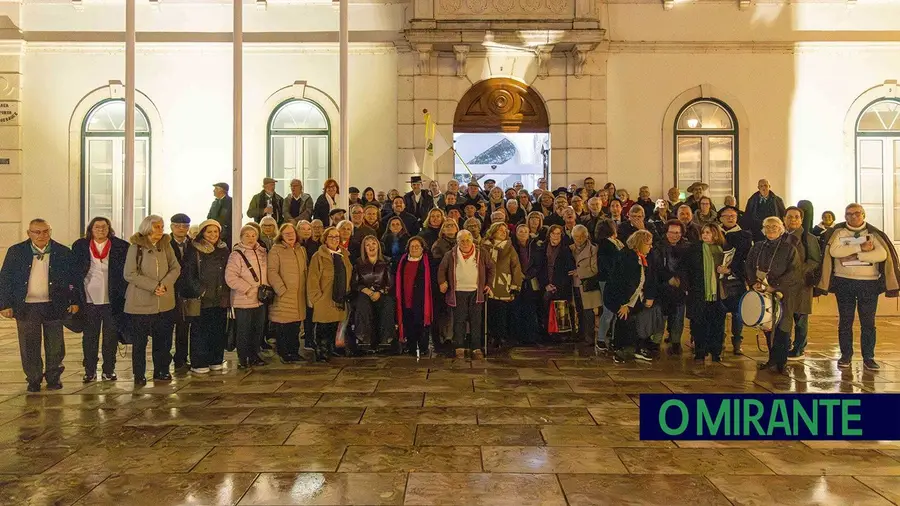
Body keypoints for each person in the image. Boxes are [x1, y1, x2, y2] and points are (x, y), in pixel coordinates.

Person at [816, 204, 900, 370]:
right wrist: (861, 247)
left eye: (857, 213)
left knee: (868, 323)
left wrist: (856, 255)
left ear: (863, 215)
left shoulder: (874, 234)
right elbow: (835, 252)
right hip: (843, 282)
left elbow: (881, 254)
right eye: (849, 214)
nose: (853, 217)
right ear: (845, 216)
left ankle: (868, 357)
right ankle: (845, 356)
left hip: (869, 284)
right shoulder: (838, 233)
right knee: (845, 322)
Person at [0, 219, 80, 392]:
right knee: (29, 345)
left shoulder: (62, 252)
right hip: (26, 307)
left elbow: (73, 280)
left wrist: (74, 300)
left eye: (45, 231)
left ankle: (53, 378)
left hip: (54, 305)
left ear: (50, 231)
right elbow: (5, 279)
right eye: (36, 232)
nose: (41, 235)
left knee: (55, 345)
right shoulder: (16, 252)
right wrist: (5, 304)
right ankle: (33, 379)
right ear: (29, 233)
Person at [124, 215, 181, 385]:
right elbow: (130, 273)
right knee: (140, 342)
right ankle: (139, 373)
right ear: (147, 228)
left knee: (163, 339)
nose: (160, 229)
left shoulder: (166, 245)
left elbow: (175, 267)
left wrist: (164, 284)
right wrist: (152, 286)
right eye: (157, 226)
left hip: (164, 302)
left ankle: (162, 370)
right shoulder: (136, 247)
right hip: (141, 303)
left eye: (162, 226)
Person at [72, 217, 129, 382]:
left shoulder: (120, 246)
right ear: (91, 229)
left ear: (109, 229)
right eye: (97, 227)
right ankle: (89, 370)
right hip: (89, 299)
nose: (101, 230)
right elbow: (74, 272)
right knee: (90, 336)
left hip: (112, 299)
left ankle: (109, 369)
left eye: (104, 227)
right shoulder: (80, 246)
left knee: (111, 337)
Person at [746, 216, 803, 373]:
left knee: (783, 328)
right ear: (763, 229)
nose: (771, 229)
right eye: (768, 227)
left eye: (775, 227)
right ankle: (772, 359)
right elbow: (749, 266)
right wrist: (753, 283)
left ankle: (782, 363)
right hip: (763, 292)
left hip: (783, 293)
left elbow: (794, 272)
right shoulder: (757, 247)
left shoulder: (789, 248)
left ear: (781, 229)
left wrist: (774, 286)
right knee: (768, 326)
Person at [438, 229, 495, 360]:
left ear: (472, 240)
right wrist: (442, 282)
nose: (465, 243)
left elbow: (491, 267)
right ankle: (459, 347)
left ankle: (476, 347)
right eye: (461, 241)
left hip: (476, 291)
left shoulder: (481, 252)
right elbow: (442, 269)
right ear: (457, 242)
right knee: (459, 320)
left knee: (476, 320)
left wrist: (489, 284)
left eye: (467, 240)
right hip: (458, 292)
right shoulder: (451, 254)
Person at [184, 219, 230, 374]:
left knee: (218, 330)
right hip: (202, 299)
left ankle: (216, 359)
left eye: (216, 231)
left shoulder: (224, 249)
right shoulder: (194, 249)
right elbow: (189, 274)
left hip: (221, 297)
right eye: (209, 231)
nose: (213, 235)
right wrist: (200, 291)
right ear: (203, 233)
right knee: (200, 331)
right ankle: (199, 362)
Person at [603, 229, 653, 363]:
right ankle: (620, 350)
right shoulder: (627, 257)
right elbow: (623, 282)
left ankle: (632, 349)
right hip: (623, 298)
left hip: (634, 298)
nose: (651, 247)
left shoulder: (638, 257)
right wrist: (623, 303)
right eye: (648, 244)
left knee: (631, 323)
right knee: (623, 322)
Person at [682, 223, 730, 363]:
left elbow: (733, 268)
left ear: (715, 234)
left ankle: (716, 352)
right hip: (699, 292)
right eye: (703, 232)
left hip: (718, 294)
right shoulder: (694, 248)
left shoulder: (723, 249)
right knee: (698, 324)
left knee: (717, 324)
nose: (705, 235)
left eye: (708, 232)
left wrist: (727, 271)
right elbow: (686, 269)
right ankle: (700, 352)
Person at [225, 223, 269, 369]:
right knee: (244, 330)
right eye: (247, 235)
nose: (251, 238)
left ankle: (254, 355)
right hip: (243, 299)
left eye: (253, 235)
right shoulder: (236, 255)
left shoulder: (262, 252)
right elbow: (230, 277)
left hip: (260, 299)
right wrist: (248, 289)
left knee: (257, 329)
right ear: (241, 237)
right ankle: (243, 357)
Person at [307, 226, 353, 362]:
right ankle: (321, 350)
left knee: (334, 324)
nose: (334, 239)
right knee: (323, 325)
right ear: (325, 239)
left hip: (339, 296)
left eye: (336, 237)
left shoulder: (344, 254)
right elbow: (313, 277)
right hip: (324, 296)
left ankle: (331, 348)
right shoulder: (318, 256)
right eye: (331, 237)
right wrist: (316, 297)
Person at [267, 223, 308, 364]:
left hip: (299, 295)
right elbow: (272, 272)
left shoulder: (301, 250)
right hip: (284, 295)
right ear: (281, 236)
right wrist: (281, 290)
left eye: (292, 233)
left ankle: (294, 352)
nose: (290, 236)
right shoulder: (276, 250)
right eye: (287, 234)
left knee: (295, 326)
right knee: (283, 326)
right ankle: (284, 353)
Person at [784, 205, 821, 360]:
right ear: (784, 219)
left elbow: (815, 260)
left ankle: (799, 348)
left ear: (801, 220)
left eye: (796, 217)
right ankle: (783, 346)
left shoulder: (809, 238)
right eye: (790, 217)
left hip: (802, 283)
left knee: (800, 317)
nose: (793, 220)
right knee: (783, 316)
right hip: (783, 284)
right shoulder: (780, 235)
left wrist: (799, 271)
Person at [651, 220, 689, 356]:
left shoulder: (686, 247)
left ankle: (676, 342)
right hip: (662, 287)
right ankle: (656, 342)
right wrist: (669, 278)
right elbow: (656, 267)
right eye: (672, 232)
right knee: (660, 316)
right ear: (666, 232)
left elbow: (688, 267)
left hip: (679, 288)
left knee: (678, 316)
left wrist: (681, 280)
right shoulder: (658, 247)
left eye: (678, 233)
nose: (675, 235)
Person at [718, 205, 752, 355]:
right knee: (718, 312)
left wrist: (732, 270)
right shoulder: (715, 233)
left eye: (733, 215)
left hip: (735, 279)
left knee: (737, 313)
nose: (730, 218)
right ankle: (719, 341)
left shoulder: (745, 235)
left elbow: (748, 260)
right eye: (727, 215)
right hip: (717, 280)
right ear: (720, 218)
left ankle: (737, 342)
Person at [483, 223, 523, 349]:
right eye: (500, 230)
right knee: (488, 311)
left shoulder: (509, 248)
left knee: (501, 312)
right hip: (487, 284)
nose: (502, 233)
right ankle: (489, 334)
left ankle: (500, 336)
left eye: (505, 231)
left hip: (502, 283)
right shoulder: (484, 246)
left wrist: (516, 285)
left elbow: (516, 267)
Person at [353, 236, 395, 354]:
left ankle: (386, 339)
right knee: (363, 303)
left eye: (373, 244)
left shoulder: (387, 262)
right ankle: (364, 338)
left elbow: (390, 283)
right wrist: (366, 290)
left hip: (382, 293)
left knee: (388, 304)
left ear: (378, 246)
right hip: (364, 293)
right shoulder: (358, 263)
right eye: (368, 245)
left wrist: (380, 292)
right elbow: (355, 283)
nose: (371, 247)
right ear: (364, 248)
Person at [534, 225, 576, 343]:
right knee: (545, 305)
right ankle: (546, 332)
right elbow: (539, 268)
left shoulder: (566, 249)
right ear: (549, 234)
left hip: (561, 284)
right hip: (546, 282)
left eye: (558, 234)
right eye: (553, 233)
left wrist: (557, 284)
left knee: (561, 309)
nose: (556, 236)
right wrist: (546, 284)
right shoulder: (542, 248)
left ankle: (560, 334)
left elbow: (568, 269)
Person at [395, 236, 434, 356]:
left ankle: (423, 347)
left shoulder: (429, 262)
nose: (415, 248)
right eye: (412, 246)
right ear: (408, 248)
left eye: (418, 246)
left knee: (421, 324)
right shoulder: (402, 261)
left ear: (423, 248)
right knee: (408, 323)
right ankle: (411, 347)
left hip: (422, 300)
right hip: (405, 298)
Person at [169, 213, 194, 372]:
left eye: (185, 226)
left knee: (184, 327)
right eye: (177, 226)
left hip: (187, 291)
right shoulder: (164, 243)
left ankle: (181, 358)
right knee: (166, 328)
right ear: (171, 227)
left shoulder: (193, 244)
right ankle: (164, 361)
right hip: (168, 290)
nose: (181, 229)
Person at [595, 219, 624, 349]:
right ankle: (601, 338)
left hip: (614, 280)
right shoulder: (605, 244)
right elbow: (608, 264)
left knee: (615, 310)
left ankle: (613, 337)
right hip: (608, 280)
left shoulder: (616, 242)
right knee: (609, 311)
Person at [431, 220, 459, 349]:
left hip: (460, 281)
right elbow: (437, 265)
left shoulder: (462, 242)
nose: (449, 228)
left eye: (452, 225)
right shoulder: (438, 245)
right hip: (445, 282)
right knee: (444, 310)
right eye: (446, 226)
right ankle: (445, 337)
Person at [571, 224, 600, 345]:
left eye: (582, 236)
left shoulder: (593, 249)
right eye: (576, 236)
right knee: (579, 310)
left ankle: (589, 338)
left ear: (586, 235)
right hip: (575, 284)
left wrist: (579, 272)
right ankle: (580, 334)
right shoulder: (570, 248)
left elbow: (595, 268)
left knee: (588, 312)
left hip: (588, 284)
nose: (579, 239)